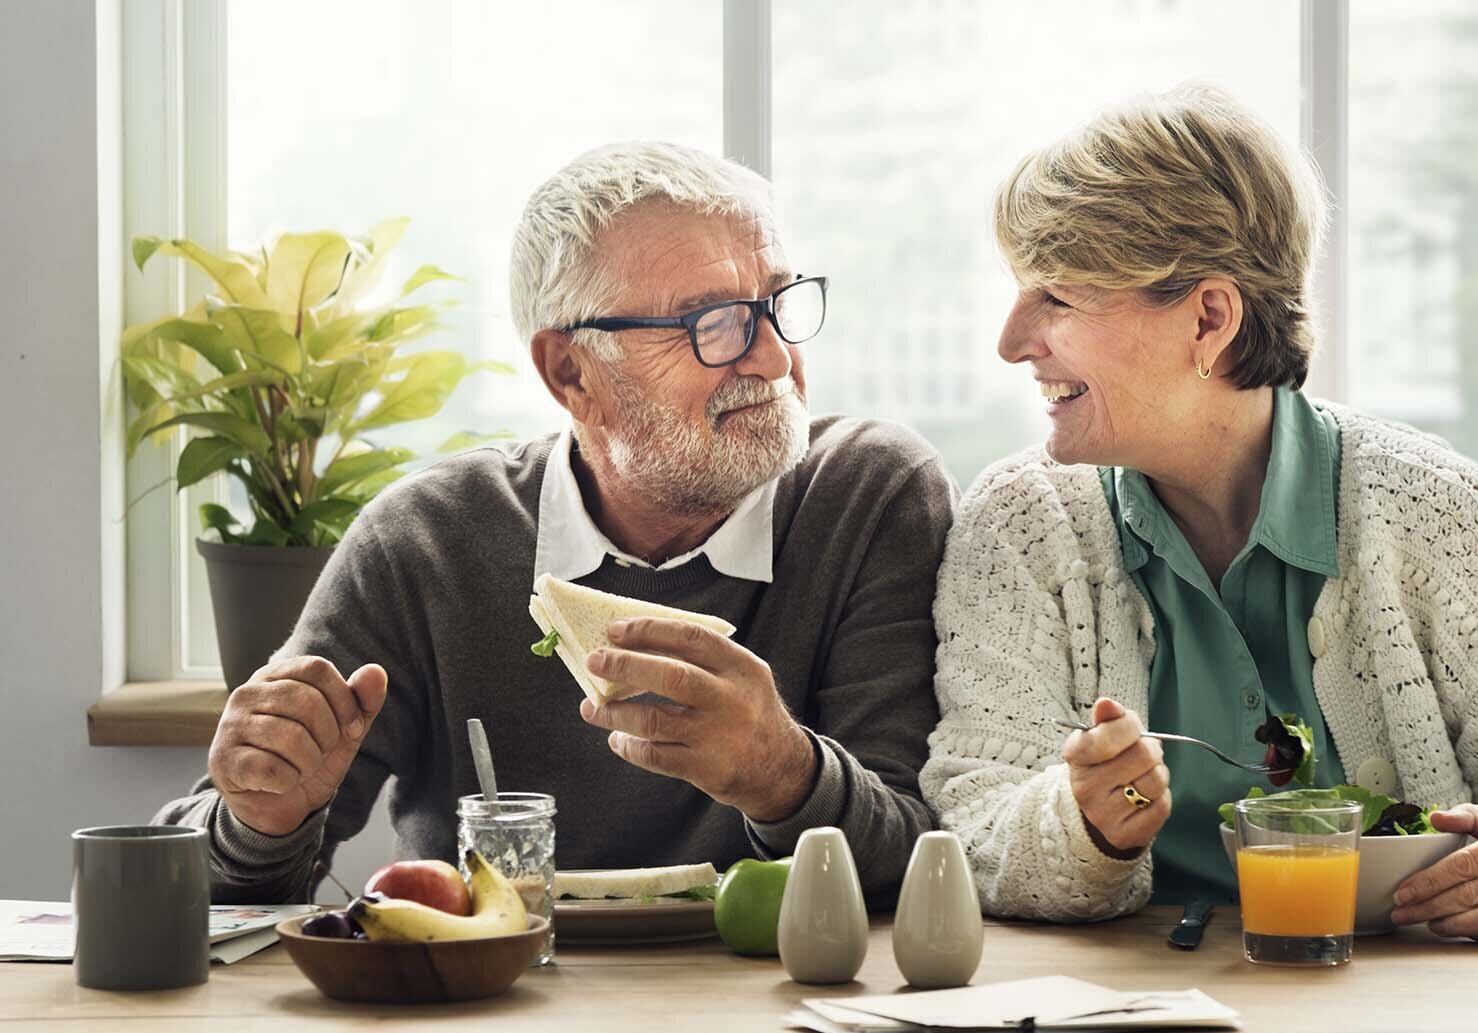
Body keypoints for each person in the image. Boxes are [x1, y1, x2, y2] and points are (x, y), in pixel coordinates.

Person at [922, 85, 1478, 941]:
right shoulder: (1021, 525)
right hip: (1121, 1024)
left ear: (1208, 317)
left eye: (1056, 296)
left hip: (1409, 1022)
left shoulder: (1436, 511)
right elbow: (969, 822)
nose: (1013, 341)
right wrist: (1082, 824)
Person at [156, 141, 954, 904]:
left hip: (777, 1011)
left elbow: (926, 867)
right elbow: (205, 893)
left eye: (777, 304)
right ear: (571, 371)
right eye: (713, 324)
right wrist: (259, 819)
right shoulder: (428, 540)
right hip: (484, 1009)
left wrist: (783, 773)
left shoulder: (869, 495)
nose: (776, 360)